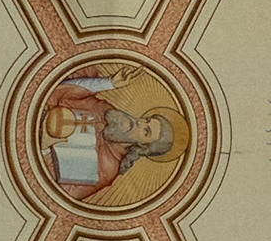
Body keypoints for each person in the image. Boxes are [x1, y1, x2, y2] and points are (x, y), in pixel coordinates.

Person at [40, 71, 176, 200]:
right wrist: (109, 83)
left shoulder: (107, 168)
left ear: (142, 145)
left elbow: (60, 194)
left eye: (146, 131)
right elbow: (64, 91)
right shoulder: (106, 110)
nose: (139, 123)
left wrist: (44, 148)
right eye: (146, 120)